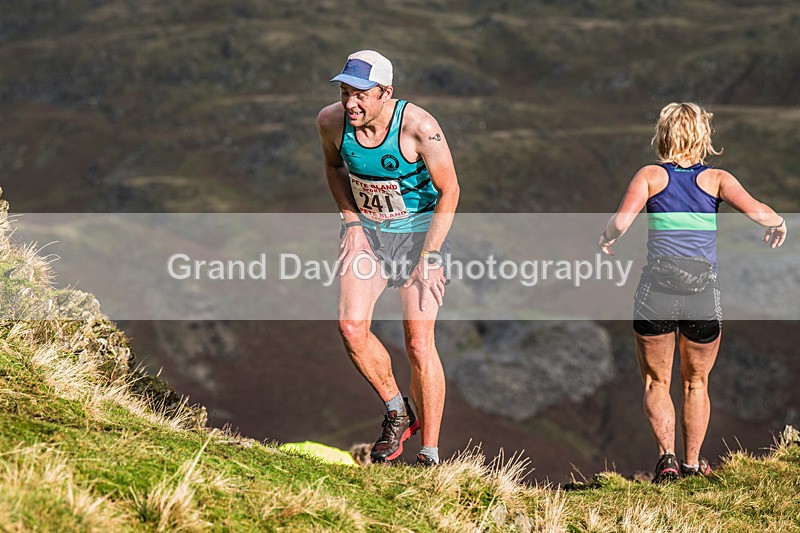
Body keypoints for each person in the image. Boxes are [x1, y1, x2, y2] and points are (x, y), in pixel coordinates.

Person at [599, 102, 787, 482]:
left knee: (656, 382)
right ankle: (691, 465)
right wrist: (778, 222)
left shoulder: (650, 176)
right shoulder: (717, 179)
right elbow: (759, 213)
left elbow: (620, 222)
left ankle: (666, 460)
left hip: (656, 291)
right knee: (696, 383)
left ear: (663, 135)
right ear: (703, 136)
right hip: (702, 293)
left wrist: (606, 238)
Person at [316, 50, 460, 466]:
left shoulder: (420, 127)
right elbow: (333, 168)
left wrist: (430, 255)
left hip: (420, 239)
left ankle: (429, 455)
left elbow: (450, 190)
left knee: (418, 344)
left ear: (386, 92)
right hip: (369, 237)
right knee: (351, 327)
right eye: (345, 92)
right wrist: (351, 223)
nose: (351, 103)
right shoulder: (330, 122)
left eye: (361, 94)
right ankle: (397, 411)